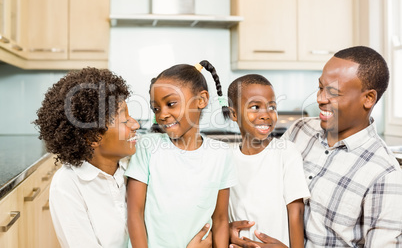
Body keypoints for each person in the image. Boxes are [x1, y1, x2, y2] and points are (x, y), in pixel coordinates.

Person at [229, 46, 402, 247]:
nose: (320, 99)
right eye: (320, 88)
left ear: (368, 98)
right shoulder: (300, 130)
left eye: (334, 93)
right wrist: (231, 229)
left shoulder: (385, 175)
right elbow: (260, 190)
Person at [34, 67, 212, 248]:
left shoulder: (142, 159)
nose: (135, 124)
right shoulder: (68, 185)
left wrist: (227, 228)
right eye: (124, 120)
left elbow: (191, 203)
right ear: (93, 137)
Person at [125, 61, 237, 247]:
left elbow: (220, 219)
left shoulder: (221, 155)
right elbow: (134, 213)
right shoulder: (147, 147)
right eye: (156, 108)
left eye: (171, 104)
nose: (162, 114)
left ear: (201, 100)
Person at [223, 74, 310, 248]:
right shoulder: (226, 159)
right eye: (255, 107)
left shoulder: (286, 152)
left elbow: (296, 211)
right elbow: (222, 213)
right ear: (233, 113)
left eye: (272, 107)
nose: (266, 115)